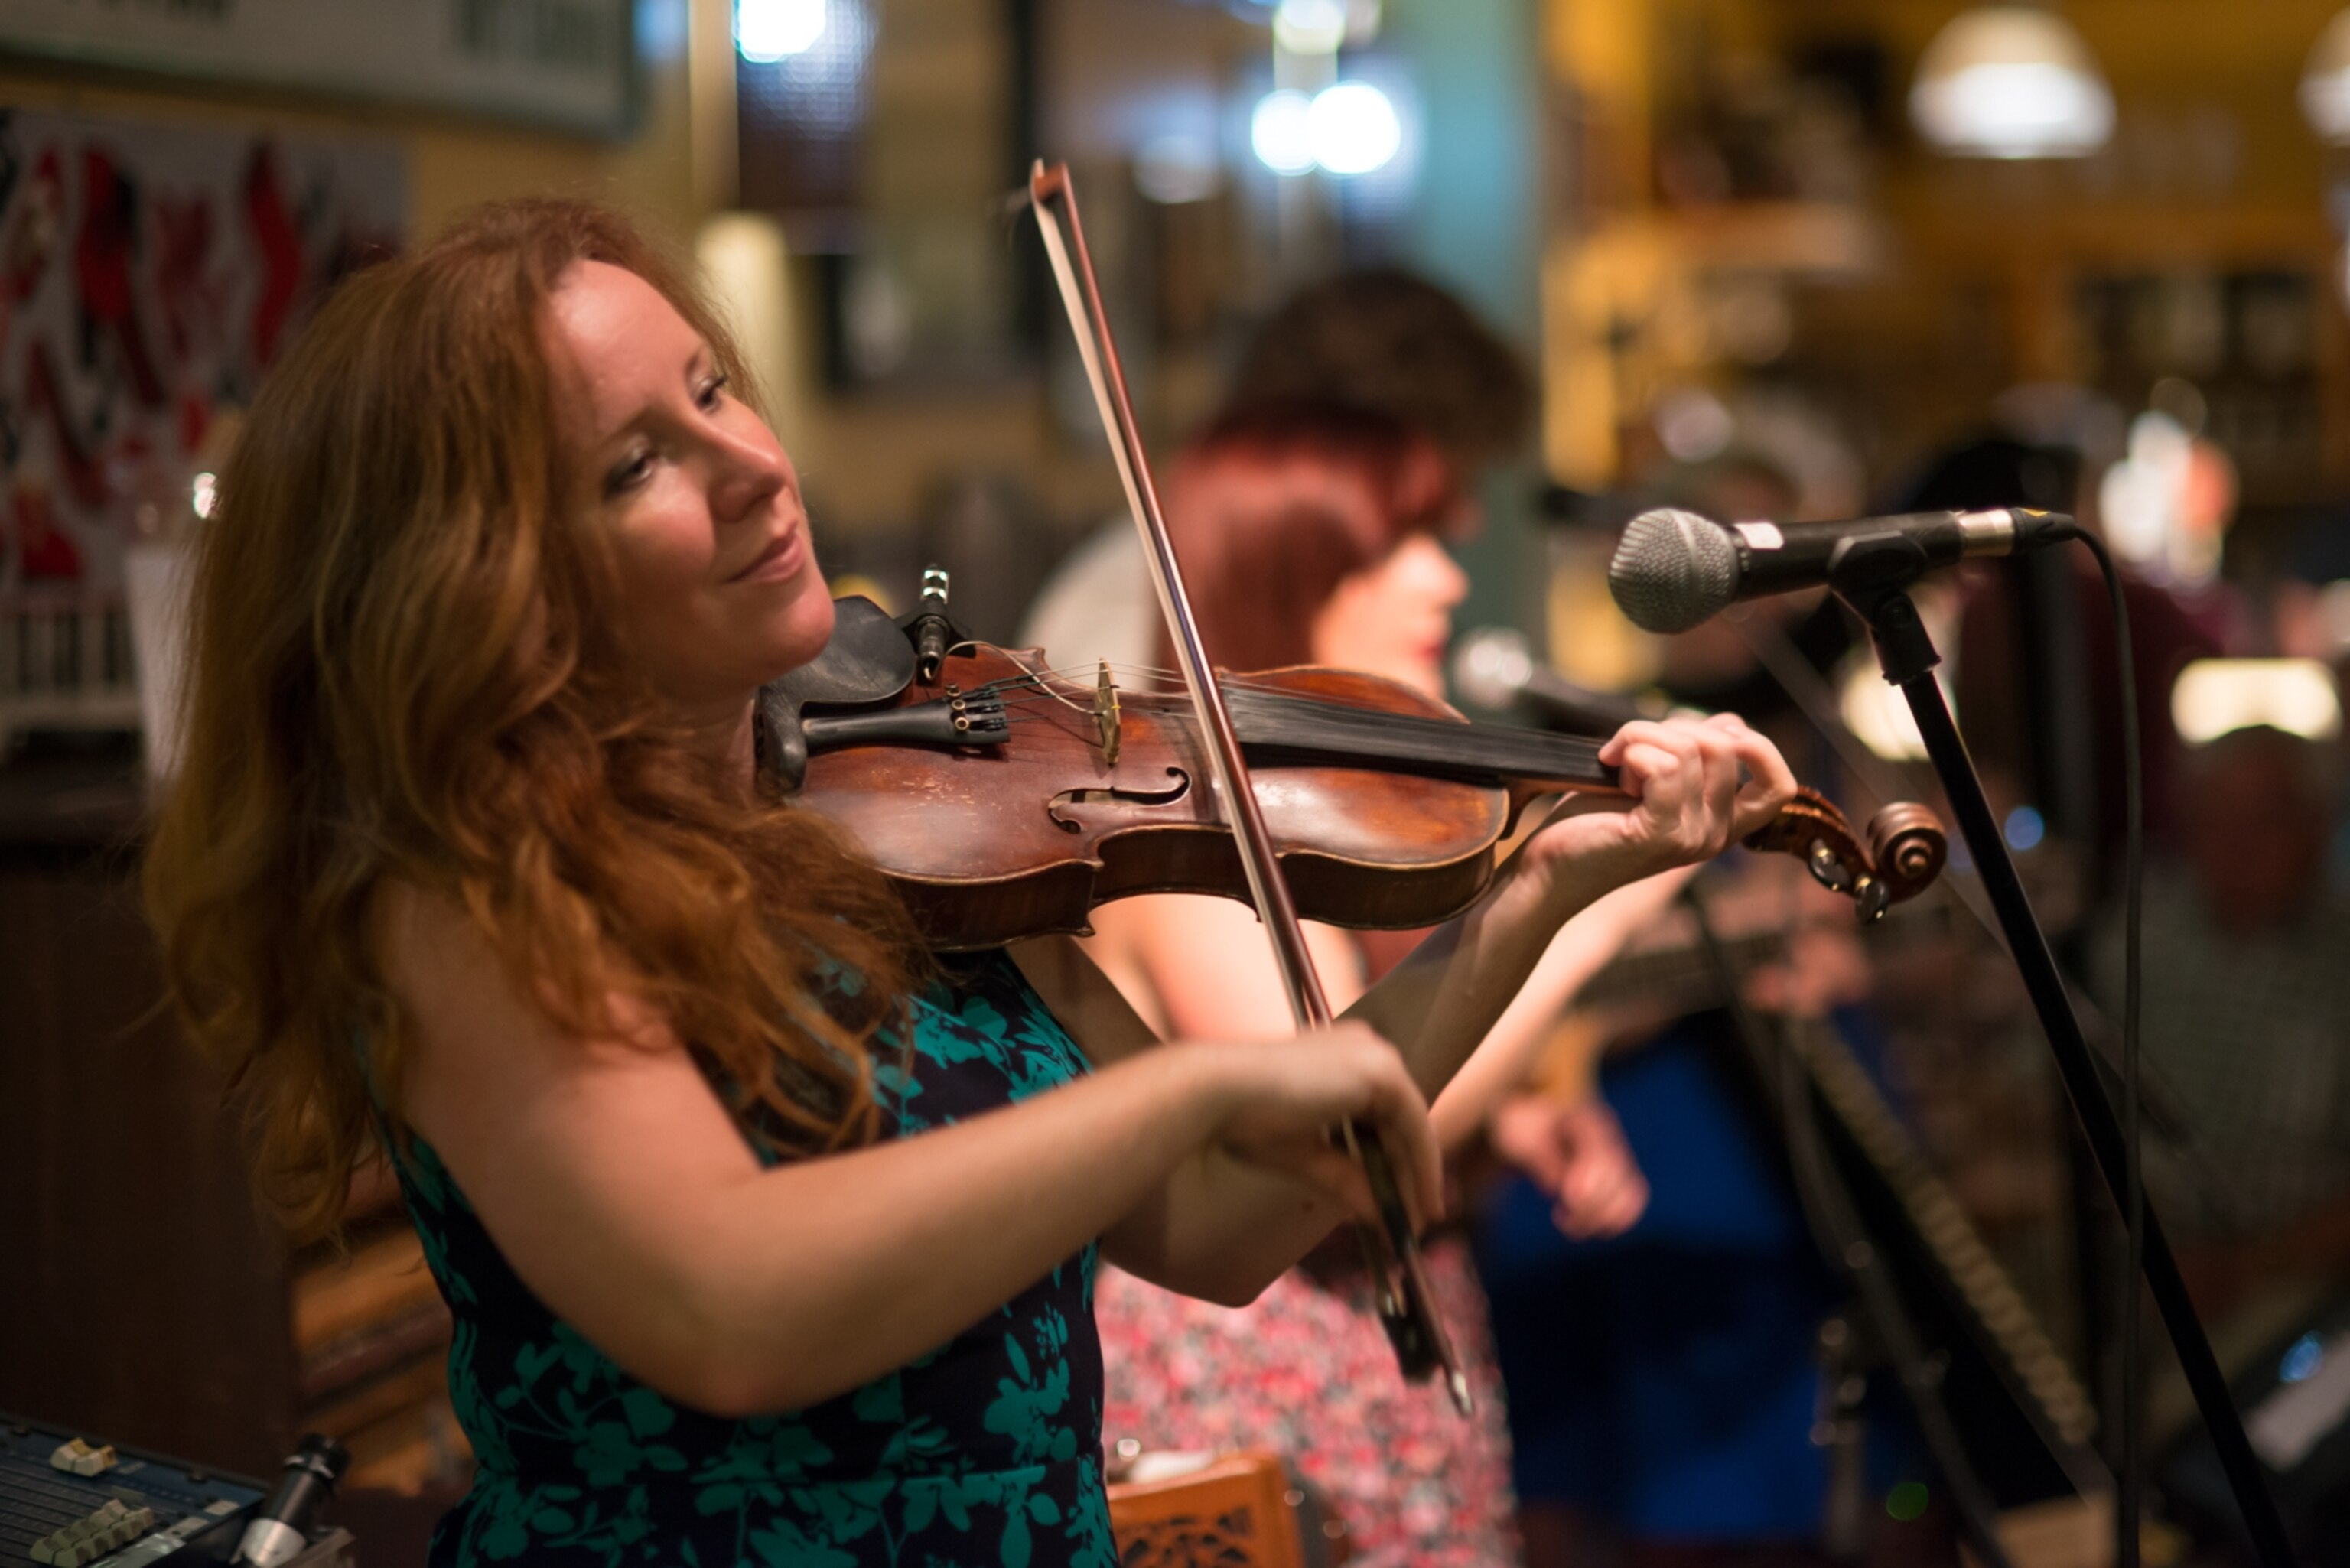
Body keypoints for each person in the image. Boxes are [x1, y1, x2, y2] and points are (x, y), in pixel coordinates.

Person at [140, 199, 1797, 1568]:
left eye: (718, 391)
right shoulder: (472, 895)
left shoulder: (895, 827)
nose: (747, 470)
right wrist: (1196, 1085)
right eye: (632, 464)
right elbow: (732, 1301)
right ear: (484, 577)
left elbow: (1223, 1222)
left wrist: (1543, 890)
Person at [1078, 398, 1677, 1568]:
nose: (1443, 583)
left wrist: (1512, 1120)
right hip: (1258, 1392)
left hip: (1385, 1371)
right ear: (1279, 575)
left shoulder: (1337, 825)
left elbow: (1403, 1075)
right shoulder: (1186, 846)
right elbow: (1350, 1134)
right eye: (1393, 547)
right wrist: (1582, 921)